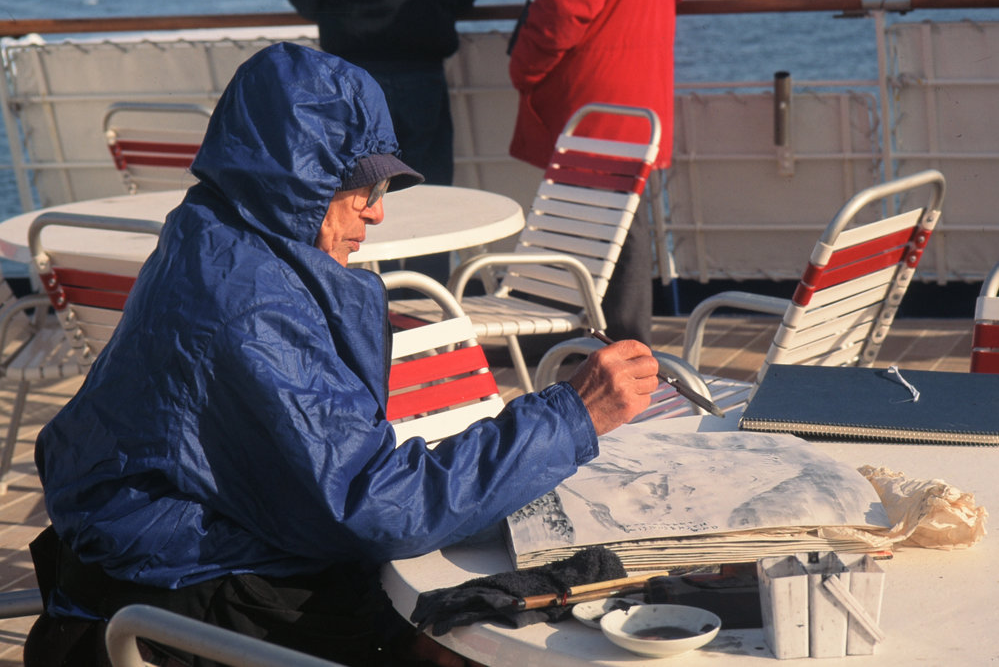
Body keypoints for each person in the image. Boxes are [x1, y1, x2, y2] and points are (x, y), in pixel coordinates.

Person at [24, 42, 659, 667]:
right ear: (299, 184)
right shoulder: (252, 306)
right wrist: (572, 416)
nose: (378, 213)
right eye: (365, 187)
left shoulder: (214, 232)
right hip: (178, 594)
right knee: (474, 639)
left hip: (160, 558)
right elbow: (374, 505)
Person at [507, 0, 683, 345]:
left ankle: (606, 343)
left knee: (586, 221)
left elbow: (563, 10)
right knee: (620, 221)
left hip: (595, 93)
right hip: (634, 87)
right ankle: (615, 341)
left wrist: (522, 67)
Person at [283, 0, 480, 282]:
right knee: (429, 189)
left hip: (350, 71)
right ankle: (428, 291)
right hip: (419, 69)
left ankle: (373, 288)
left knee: (356, 185)